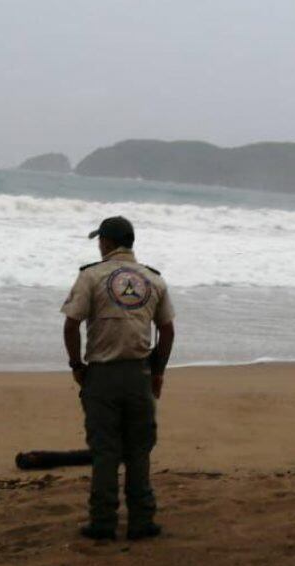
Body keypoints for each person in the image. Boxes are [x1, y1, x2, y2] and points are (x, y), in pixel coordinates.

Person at [62, 216, 175, 540]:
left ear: (108, 243)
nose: (99, 245)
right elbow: (166, 330)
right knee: (139, 449)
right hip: (139, 374)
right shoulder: (153, 279)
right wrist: (158, 373)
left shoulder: (91, 276)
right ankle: (142, 521)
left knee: (105, 450)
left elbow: (71, 325)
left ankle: (103, 522)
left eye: (100, 240)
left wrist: (76, 366)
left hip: (102, 375)